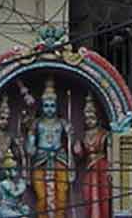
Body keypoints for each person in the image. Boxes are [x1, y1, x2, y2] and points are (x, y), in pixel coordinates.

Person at [25, 78, 73, 218]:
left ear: (57, 106)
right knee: (41, 195)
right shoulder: (36, 123)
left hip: (59, 158)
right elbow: (30, 145)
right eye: (46, 106)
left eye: (52, 105)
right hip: (41, 159)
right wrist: (30, 144)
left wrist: (71, 135)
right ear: (42, 106)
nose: (49, 109)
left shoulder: (63, 123)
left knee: (62, 192)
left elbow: (72, 143)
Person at [73, 94, 113, 218]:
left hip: (102, 167)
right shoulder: (84, 136)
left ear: (98, 118)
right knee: (89, 196)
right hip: (89, 169)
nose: (89, 120)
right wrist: (76, 147)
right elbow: (80, 156)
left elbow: (111, 153)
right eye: (87, 118)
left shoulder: (105, 134)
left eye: (92, 117)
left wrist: (111, 168)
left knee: (102, 195)